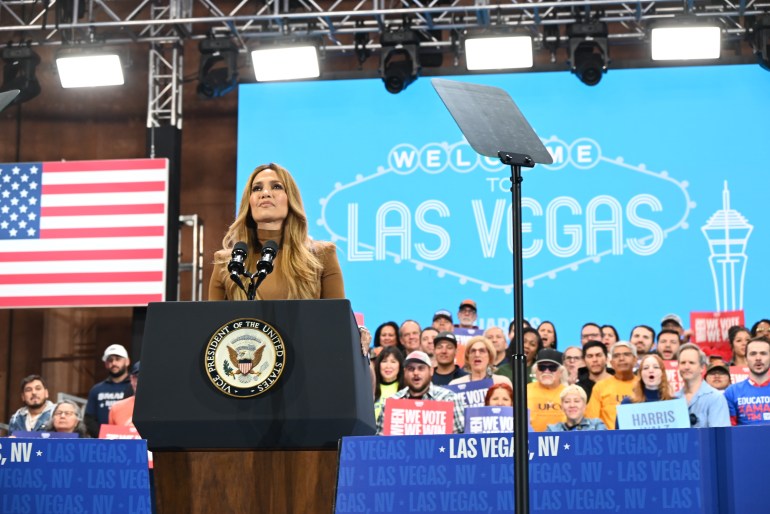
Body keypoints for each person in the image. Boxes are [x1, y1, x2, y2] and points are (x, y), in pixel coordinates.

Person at [208, 162, 344, 301]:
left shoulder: (322, 256)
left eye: (276, 186)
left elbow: (336, 319)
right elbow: (213, 322)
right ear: (248, 203)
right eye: (257, 188)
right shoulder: (227, 264)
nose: (265, 193)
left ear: (291, 199)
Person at [375, 351, 465, 434]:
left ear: (431, 371)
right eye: (411, 369)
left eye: (421, 368)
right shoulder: (392, 403)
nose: (416, 373)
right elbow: (380, 442)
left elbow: (461, 439)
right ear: (404, 372)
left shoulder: (449, 399)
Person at [585, 341, 639, 430]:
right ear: (611, 363)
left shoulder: (643, 385)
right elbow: (592, 421)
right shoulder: (600, 387)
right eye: (616, 356)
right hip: (608, 439)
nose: (621, 358)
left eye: (626, 354)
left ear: (635, 360)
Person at [675, 343, 730, 428]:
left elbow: (720, 437)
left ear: (702, 368)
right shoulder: (673, 399)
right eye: (683, 363)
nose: (686, 367)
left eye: (691, 363)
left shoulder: (716, 398)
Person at [85, 344, 132, 438]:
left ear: (127, 361)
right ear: (106, 364)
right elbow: (89, 418)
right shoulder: (96, 389)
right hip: (102, 441)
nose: (113, 363)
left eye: (118, 359)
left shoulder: (134, 387)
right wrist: (103, 437)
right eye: (110, 360)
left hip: (130, 439)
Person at [724, 337, 770, 425]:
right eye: (753, 354)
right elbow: (728, 431)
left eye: (763, 353)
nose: (758, 358)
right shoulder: (732, 392)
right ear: (745, 359)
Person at [527, 349, 566, 431]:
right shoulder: (525, 390)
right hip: (531, 440)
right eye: (542, 367)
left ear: (561, 372)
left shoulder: (569, 392)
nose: (546, 371)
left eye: (552, 368)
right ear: (536, 370)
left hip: (563, 440)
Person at [372, 347, 405, 421]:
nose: (388, 366)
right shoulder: (370, 388)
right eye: (384, 361)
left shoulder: (405, 390)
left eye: (393, 362)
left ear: (400, 365)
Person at [108, 362, 141, 428]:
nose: (140, 382)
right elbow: (111, 436)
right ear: (131, 379)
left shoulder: (163, 407)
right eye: (137, 377)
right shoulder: (116, 408)